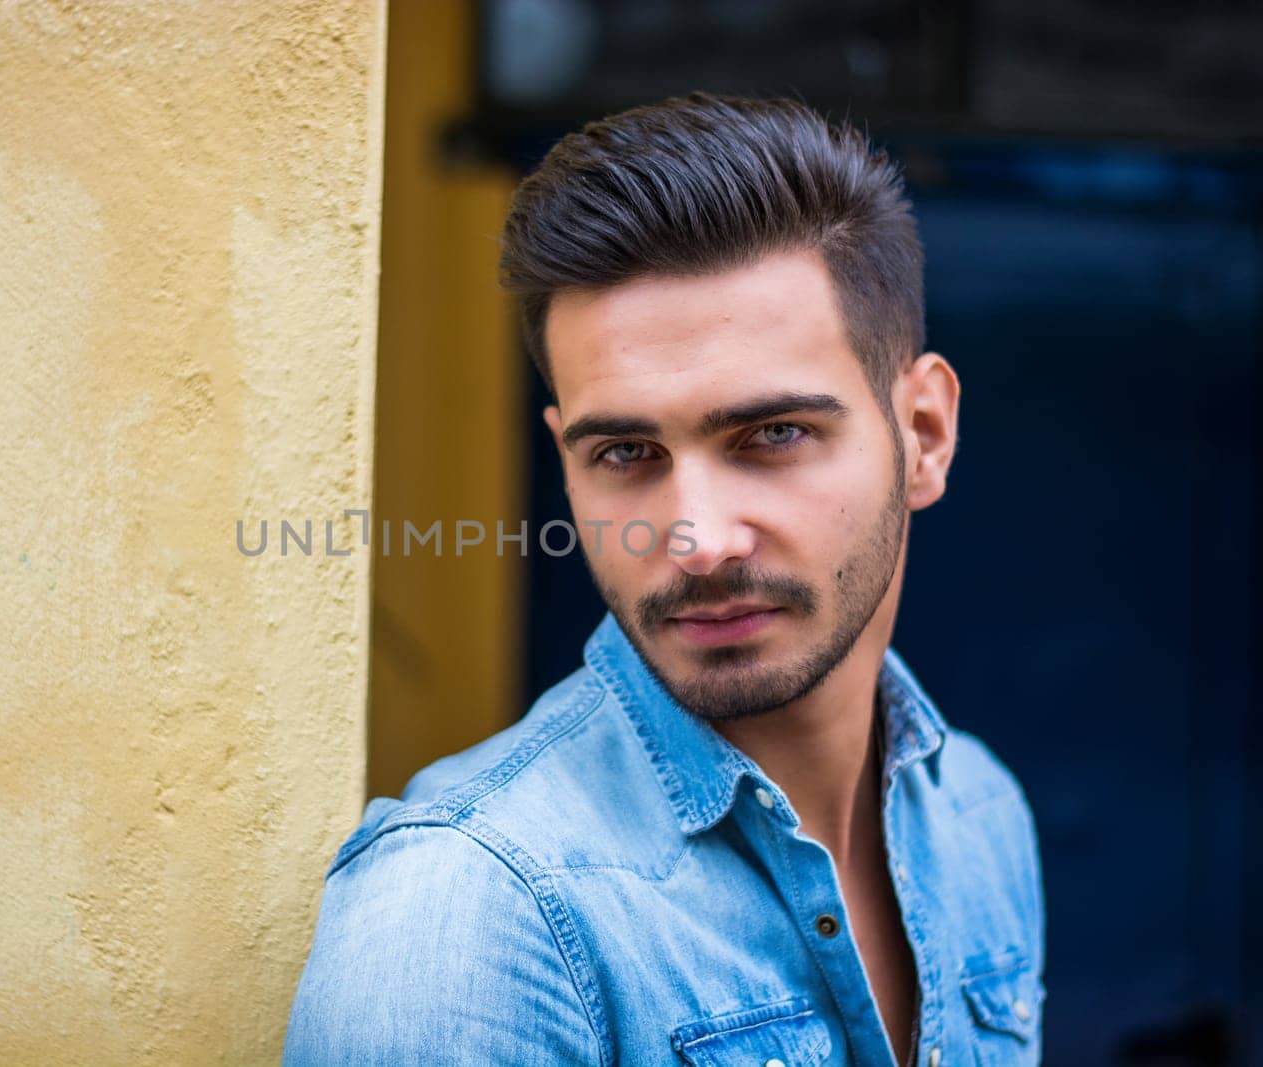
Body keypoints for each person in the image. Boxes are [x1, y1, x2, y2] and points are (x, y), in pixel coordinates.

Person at [284, 92, 1045, 1067]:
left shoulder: (979, 818)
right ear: (565, 463)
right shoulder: (467, 910)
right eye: (628, 451)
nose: (696, 539)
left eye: (772, 435)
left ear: (923, 434)